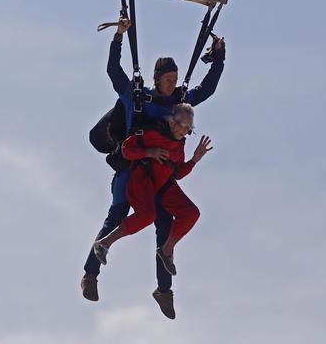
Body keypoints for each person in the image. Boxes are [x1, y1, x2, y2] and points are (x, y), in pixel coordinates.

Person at [81, 18, 225, 319]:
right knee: (117, 216)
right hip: (132, 170)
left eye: (175, 79)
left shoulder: (180, 103)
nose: (173, 84)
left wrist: (219, 57)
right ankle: (90, 275)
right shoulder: (138, 97)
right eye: (168, 79)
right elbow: (113, 72)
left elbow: (208, 89)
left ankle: (164, 290)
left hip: (160, 179)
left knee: (164, 225)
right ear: (157, 79)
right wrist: (119, 36)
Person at [92, 104, 212, 282]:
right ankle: (104, 243)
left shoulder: (178, 145)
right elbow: (126, 150)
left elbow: (177, 173)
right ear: (172, 122)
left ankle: (166, 250)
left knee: (191, 213)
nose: (186, 131)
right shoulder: (152, 133)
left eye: (189, 128)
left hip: (164, 186)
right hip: (143, 181)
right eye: (184, 126)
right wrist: (149, 152)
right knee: (147, 216)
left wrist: (194, 160)